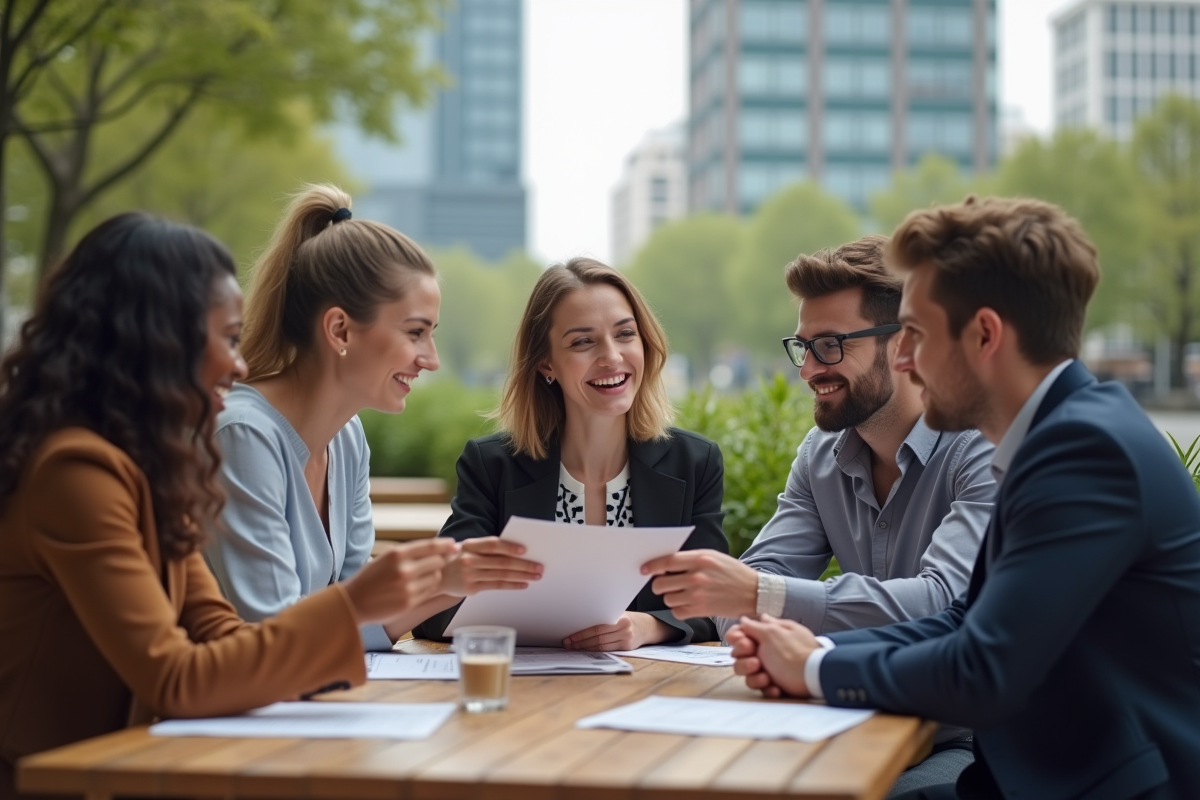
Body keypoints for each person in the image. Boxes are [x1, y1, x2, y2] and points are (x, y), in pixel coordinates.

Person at [729, 197, 1200, 800]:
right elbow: (963, 618)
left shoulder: (1083, 451)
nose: (902, 357)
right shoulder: (1064, 435)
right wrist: (812, 648)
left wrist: (816, 667)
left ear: (984, 335)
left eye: (917, 334)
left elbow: (983, 670)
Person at [0, 213, 459, 800]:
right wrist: (354, 603)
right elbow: (176, 678)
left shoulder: (147, 469)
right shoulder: (77, 473)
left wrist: (384, 599)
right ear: (157, 339)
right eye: (227, 339)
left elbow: (221, 636)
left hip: (129, 768)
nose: (241, 366)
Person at [642, 235, 995, 794]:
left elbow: (945, 603)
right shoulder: (820, 455)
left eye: (829, 346)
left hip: (969, 741)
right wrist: (763, 616)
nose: (808, 370)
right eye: (802, 346)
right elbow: (743, 598)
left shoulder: (980, 447)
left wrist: (769, 603)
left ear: (904, 344)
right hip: (843, 719)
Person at [204, 185, 539, 651]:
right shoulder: (243, 436)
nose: (431, 359)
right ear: (340, 329)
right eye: (415, 332)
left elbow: (357, 621)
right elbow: (273, 635)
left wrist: (455, 581)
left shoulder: (346, 438)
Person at [414, 257, 729, 648]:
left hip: (650, 694)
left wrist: (649, 627)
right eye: (583, 341)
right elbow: (433, 612)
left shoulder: (694, 463)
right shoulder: (492, 466)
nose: (612, 357)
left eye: (625, 334)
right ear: (546, 362)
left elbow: (718, 602)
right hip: (527, 697)